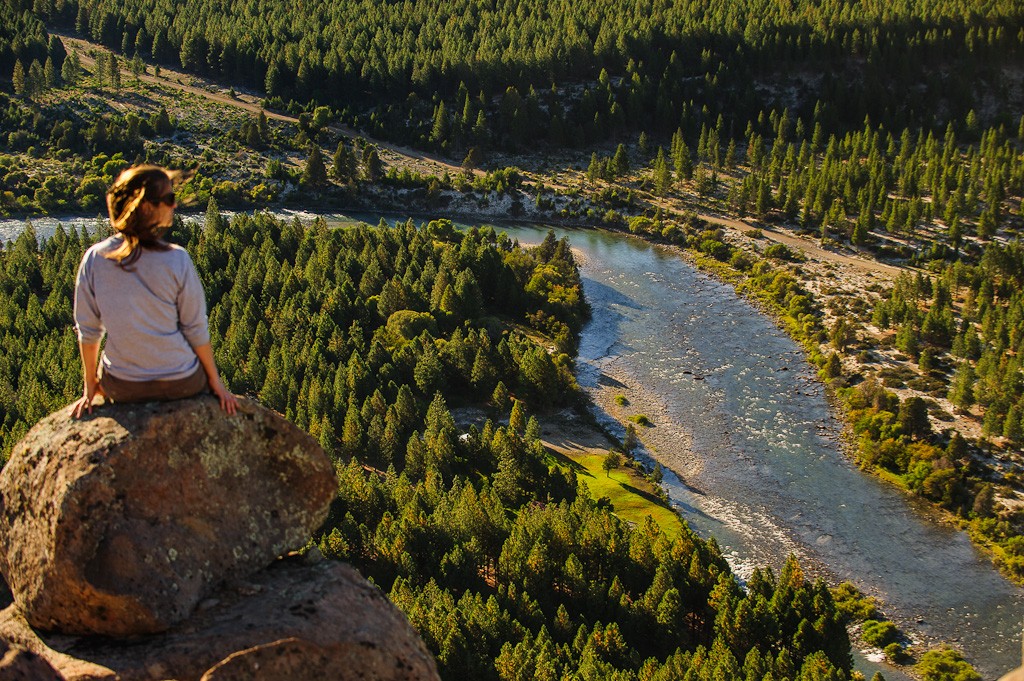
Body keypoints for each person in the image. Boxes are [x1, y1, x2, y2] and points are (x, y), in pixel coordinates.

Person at [72, 164, 238, 418]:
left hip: (122, 385)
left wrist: (90, 387)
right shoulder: (177, 259)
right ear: (147, 206)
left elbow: (89, 332)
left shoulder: (95, 258)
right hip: (181, 382)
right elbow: (195, 329)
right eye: (169, 199)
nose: (174, 205)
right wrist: (216, 383)